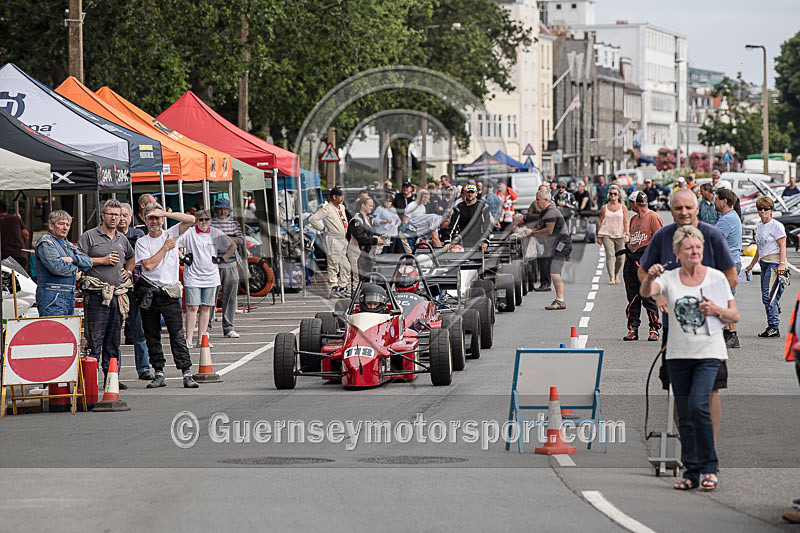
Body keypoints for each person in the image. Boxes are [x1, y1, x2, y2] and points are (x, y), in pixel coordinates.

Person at [640, 225, 739, 492]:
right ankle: (691, 471)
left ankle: (709, 467)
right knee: (684, 414)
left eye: (698, 247)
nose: (694, 252)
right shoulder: (670, 278)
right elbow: (646, 292)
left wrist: (717, 310)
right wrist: (650, 278)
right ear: (678, 252)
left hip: (709, 353)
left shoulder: (715, 277)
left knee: (698, 405)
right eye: (688, 248)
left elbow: (734, 316)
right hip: (678, 355)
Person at [639, 188, 738, 441]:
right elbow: (643, 272)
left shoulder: (712, 235)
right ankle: (688, 447)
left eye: (688, 208)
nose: (683, 213)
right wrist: (658, 293)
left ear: (697, 208)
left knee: (711, 391)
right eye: (678, 208)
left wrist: (710, 303)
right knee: (678, 391)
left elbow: (731, 276)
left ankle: (709, 445)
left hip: (709, 330)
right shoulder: (663, 237)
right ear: (670, 210)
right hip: (674, 331)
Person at [134, 204, 198, 389]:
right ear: (144, 220)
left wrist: (165, 213)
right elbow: (148, 266)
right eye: (150, 218)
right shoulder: (142, 242)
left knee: (177, 334)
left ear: (162, 219)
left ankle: (186, 372)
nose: (154, 221)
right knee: (151, 334)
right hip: (148, 291)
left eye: (157, 218)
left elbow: (191, 219)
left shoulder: (171, 233)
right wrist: (165, 248)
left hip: (169, 292)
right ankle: (159, 372)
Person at [78, 199, 135, 387]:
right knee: (95, 340)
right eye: (110, 214)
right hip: (96, 296)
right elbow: (80, 260)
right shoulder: (89, 236)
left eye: (117, 215)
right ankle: (90, 383)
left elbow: (131, 256)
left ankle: (112, 379)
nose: (113, 218)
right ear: (102, 215)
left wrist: (128, 269)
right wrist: (102, 260)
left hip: (117, 295)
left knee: (113, 341)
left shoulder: (122, 238)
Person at [181, 209, 235, 348]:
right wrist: (183, 257)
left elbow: (232, 245)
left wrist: (222, 258)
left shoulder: (215, 232)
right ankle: (188, 339)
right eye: (201, 220)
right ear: (196, 221)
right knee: (192, 307)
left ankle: (201, 339)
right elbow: (173, 243)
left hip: (211, 276)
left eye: (207, 220)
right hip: (193, 275)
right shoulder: (190, 232)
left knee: (206, 308)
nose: (204, 223)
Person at [34, 210, 92, 317]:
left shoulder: (68, 244)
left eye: (67, 225)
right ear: (51, 225)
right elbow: (57, 267)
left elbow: (88, 262)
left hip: (68, 295)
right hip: (52, 296)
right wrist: (78, 268)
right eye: (61, 224)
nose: (65, 228)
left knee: (66, 331)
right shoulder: (46, 243)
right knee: (53, 331)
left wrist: (71, 259)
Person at [520, 189, 571, 310]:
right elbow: (540, 227)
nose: (536, 202)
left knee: (554, 271)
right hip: (555, 244)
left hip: (562, 244)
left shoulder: (551, 212)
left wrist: (532, 233)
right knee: (553, 271)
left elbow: (549, 230)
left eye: (538, 199)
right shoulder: (545, 212)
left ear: (546, 200)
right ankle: (559, 299)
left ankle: (560, 300)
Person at [118, 202, 153, 380]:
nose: (122, 219)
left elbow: (140, 259)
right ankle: (113, 373)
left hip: (136, 287)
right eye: (119, 215)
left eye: (126, 215)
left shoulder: (138, 234)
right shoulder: (110, 236)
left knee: (139, 331)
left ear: (131, 217)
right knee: (114, 333)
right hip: (115, 288)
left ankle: (144, 368)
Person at [622, 192, 663, 341]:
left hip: (645, 262)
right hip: (631, 261)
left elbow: (660, 241)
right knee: (632, 297)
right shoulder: (634, 219)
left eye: (630, 203)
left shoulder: (653, 217)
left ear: (635, 203)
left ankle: (654, 328)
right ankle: (633, 328)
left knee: (648, 297)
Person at [745, 196, 787, 337]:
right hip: (763, 262)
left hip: (774, 262)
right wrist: (751, 264)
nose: (762, 211)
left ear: (771, 210)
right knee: (767, 295)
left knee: (768, 295)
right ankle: (773, 321)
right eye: (760, 209)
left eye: (766, 209)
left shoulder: (776, 226)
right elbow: (759, 247)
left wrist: (782, 263)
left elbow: (782, 246)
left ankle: (773, 326)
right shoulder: (759, 226)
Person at [209, 198, 244, 338]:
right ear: (216, 210)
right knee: (210, 296)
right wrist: (229, 240)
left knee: (230, 297)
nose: (223, 212)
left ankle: (229, 327)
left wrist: (222, 240)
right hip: (213, 264)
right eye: (220, 209)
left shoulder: (234, 224)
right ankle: (207, 328)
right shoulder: (210, 224)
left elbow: (240, 240)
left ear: (229, 210)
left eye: (225, 209)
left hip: (230, 263)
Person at [309, 187, 351, 298]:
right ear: (334, 197)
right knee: (333, 264)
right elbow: (313, 219)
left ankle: (343, 286)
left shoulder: (341, 207)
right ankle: (334, 287)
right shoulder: (327, 209)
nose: (342, 198)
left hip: (344, 239)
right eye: (341, 196)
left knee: (346, 264)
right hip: (333, 239)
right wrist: (323, 228)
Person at [714, 188, 743, 349]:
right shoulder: (731, 217)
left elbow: (713, 239)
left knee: (727, 300)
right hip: (730, 263)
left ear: (724, 201)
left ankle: (732, 335)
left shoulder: (727, 220)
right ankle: (727, 333)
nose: (714, 202)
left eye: (716, 199)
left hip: (728, 264)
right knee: (724, 299)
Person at [347, 197, 387, 289]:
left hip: (367, 253)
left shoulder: (369, 219)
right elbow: (361, 237)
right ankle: (355, 300)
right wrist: (375, 240)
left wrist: (378, 238)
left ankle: (365, 299)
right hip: (357, 253)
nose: (371, 208)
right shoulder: (356, 220)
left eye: (372, 206)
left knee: (367, 278)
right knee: (357, 279)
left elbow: (369, 234)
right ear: (363, 205)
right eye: (370, 205)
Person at [597, 185, 629, 285]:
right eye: (611, 194)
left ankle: (616, 274)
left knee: (620, 257)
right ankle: (611, 277)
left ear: (618, 195)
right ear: (609, 195)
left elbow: (626, 221)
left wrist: (627, 234)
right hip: (606, 234)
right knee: (610, 255)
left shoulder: (623, 207)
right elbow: (600, 221)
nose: (613, 196)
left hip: (620, 234)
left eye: (615, 194)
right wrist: (599, 235)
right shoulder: (604, 207)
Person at [448, 183, 491, 250]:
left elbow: (486, 225)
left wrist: (485, 241)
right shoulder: (459, 207)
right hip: (463, 240)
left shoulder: (483, 207)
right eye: (468, 192)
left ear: (476, 193)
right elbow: (452, 226)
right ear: (465, 193)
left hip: (478, 240)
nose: (470, 194)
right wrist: (448, 241)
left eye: (472, 192)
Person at [0, 199, 30, 271]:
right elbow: (26, 235)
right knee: (21, 280)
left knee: (9, 280)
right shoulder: (15, 218)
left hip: (6, 255)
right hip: (20, 254)